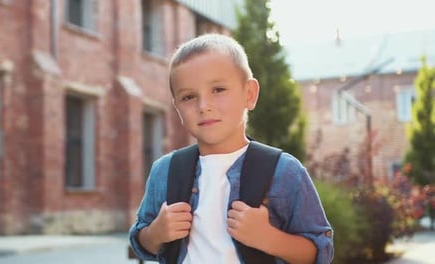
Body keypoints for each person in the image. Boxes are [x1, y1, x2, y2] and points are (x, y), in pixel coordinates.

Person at [129, 33, 334, 264]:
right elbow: (141, 241)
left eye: (218, 90)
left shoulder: (284, 171)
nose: (203, 106)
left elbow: (319, 252)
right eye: (188, 97)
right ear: (177, 107)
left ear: (249, 94)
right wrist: (156, 233)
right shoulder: (165, 170)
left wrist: (269, 238)